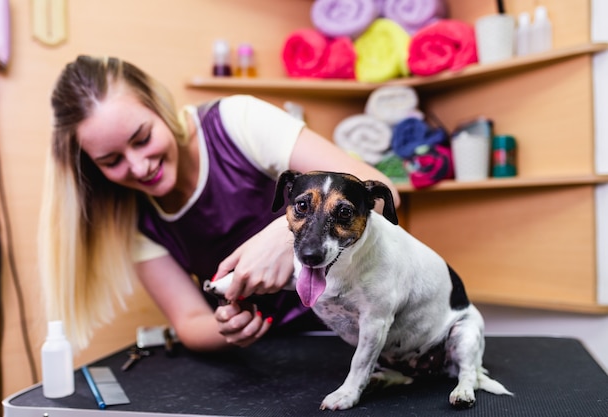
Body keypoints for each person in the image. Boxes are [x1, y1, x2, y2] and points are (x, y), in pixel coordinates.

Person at [39, 55, 400, 352]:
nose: (139, 166)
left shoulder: (236, 122)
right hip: (279, 356)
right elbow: (189, 321)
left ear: (159, 108)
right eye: (111, 161)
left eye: (143, 138)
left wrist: (285, 235)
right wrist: (226, 326)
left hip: (369, 326)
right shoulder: (136, 218)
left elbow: (385, 193)